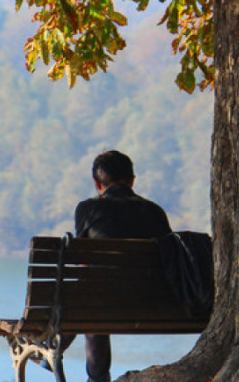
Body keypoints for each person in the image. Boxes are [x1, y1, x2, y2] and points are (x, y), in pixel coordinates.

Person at [73, 150, 172, 382]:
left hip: (102, 304)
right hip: (154, 302)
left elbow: (82, 262)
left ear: (97, 183)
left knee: (91, 291)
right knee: (94, 291)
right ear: (132, 180)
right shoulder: (155, 211)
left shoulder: (88, 210)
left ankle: (97, 377)